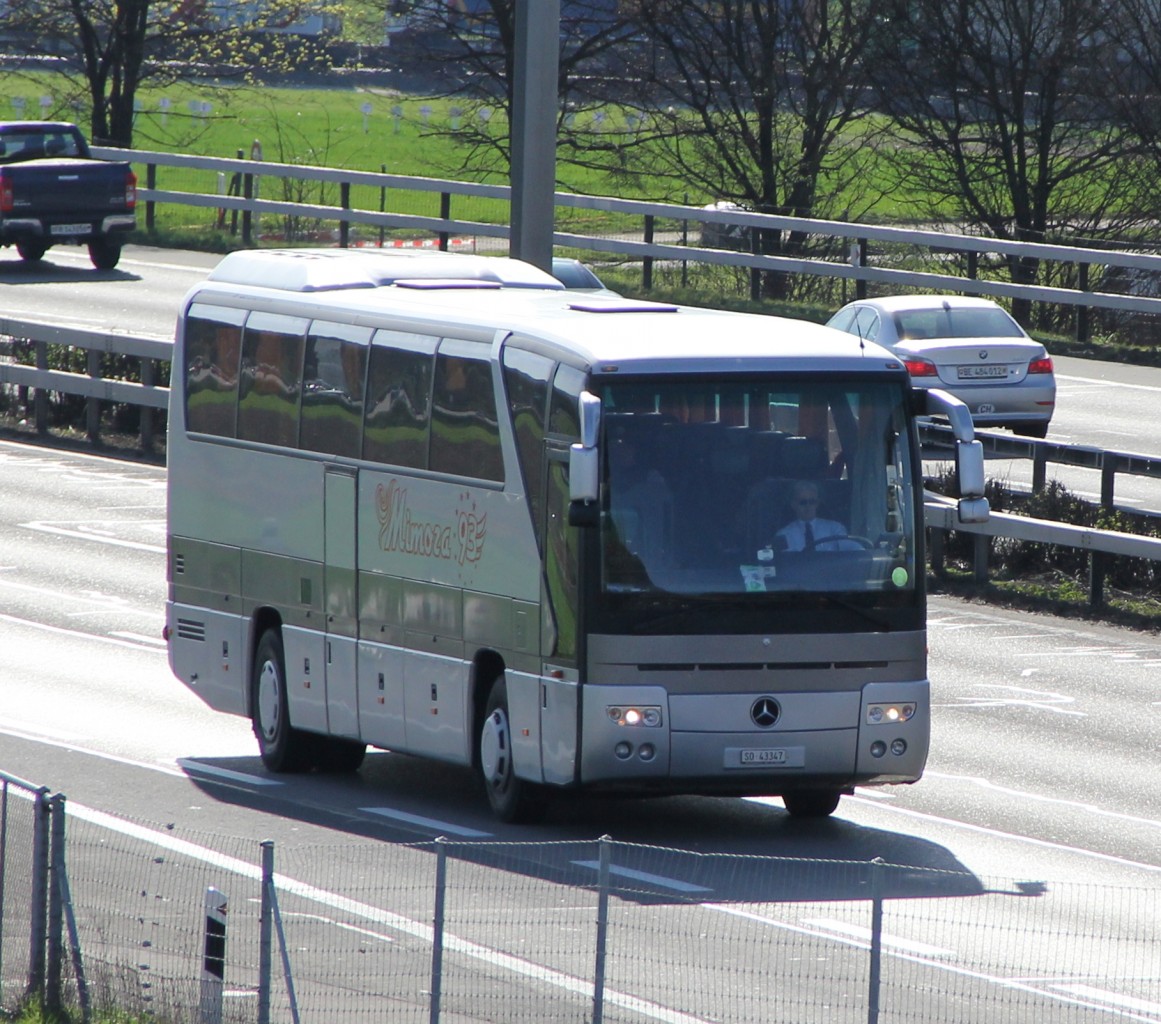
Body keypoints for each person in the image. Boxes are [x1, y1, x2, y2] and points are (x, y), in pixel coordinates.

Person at [775, 480, 853, 551]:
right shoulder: (783, 535)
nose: (808, 506)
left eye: (812, 502)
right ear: (793, 505)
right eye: (803, 502)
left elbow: (852, 551)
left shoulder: (835, 529)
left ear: (817, 503)